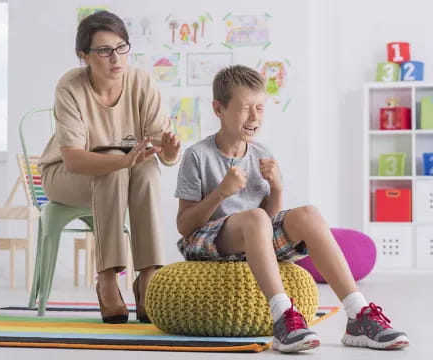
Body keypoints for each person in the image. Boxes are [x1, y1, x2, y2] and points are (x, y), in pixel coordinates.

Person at [174, 65, 409, 353]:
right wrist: (221, 192)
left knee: (309, 213)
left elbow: (268, 222)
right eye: (245, 108)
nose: (254, 117)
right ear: (218, 109)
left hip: (252, 233)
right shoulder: (197, 155)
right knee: (256, 218)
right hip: (206, 239)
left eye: (260, 108)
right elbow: (185, 225)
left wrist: (277, 188)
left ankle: (358, 314)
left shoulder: (262, 154)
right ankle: (283, 317)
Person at [39, 11, 181, 324]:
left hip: (123, 170)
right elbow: (75, 159)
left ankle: (148, 276)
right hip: (64, 174)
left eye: (121, 48)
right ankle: (107, 277)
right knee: (114, 170)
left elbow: (161, 148)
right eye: (103, 51)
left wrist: (169, 151)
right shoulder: (70, 87)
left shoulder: (141, 81)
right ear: (84, 56)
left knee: (147, 170)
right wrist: (121, 160)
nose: (115, 58)